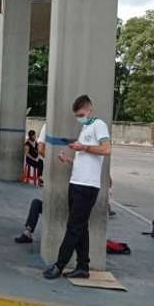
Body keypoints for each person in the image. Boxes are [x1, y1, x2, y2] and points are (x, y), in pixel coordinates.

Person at [43, 95, 111, 280]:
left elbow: (106, 149)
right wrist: (70, 159)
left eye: (81, 114)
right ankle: (83, 266)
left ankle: (59, 265)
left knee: (73, 227)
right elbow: (86, 159)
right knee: (81, 227)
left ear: (89, 110)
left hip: (87, 187)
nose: (79, 117)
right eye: (77, 115)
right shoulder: (85, 128)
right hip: (76, 182)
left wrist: (84, 148)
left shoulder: (99, 125)